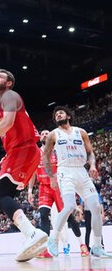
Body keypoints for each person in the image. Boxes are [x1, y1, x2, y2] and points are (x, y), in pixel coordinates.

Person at [0, 69, 48, 262]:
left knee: (1, 196)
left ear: (9, 83)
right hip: (22, 151)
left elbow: (7, 123)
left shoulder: (9, 95)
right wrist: (7, 155)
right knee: (8, 197)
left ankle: (32, 233)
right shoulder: (6, 102)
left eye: (0, 77)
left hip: (23, 150)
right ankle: (31, 236)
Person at [43, 106, 112, 258]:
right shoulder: (53, 135)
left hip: (81, 171)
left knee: (95, 208)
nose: (58, 115)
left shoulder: (80, 132)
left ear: (68, 115)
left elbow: (90, 153)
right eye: (56, 115)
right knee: (69, 206)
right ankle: (53, 240)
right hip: (65, 171)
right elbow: (46, 157)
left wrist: (93, 165)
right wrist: (52, 176)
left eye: (61, 113)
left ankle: (97, 246)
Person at [28, 130, 89, 258]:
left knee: (69, 218)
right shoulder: (35, 152)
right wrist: (30, 191)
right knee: (44, 215)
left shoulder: (59, 149)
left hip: (59, 186)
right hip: (44, 187)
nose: (45, 135)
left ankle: (82, 245)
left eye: (47, 133)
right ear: (40, 138)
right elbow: (33, 173)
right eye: (42, 134)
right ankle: (45, 249)